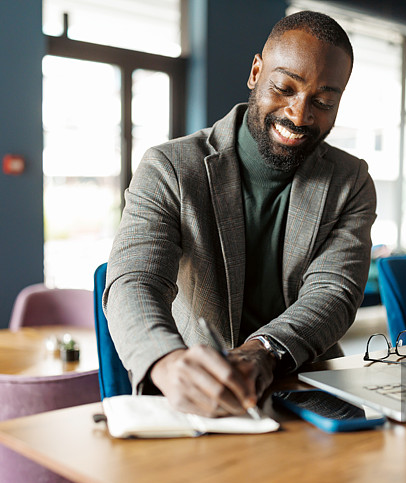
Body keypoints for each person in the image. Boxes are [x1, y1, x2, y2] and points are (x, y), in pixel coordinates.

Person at [104, 10, 377, 417]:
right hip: (201, 389)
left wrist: (263, 350)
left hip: (309, 385)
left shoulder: (350, 180)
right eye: (285, 87)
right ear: (256, 72)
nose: (300, 116)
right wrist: (165, 360)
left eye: (323, 101)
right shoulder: (170, 167)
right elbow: (134, 280)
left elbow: (333, 293)